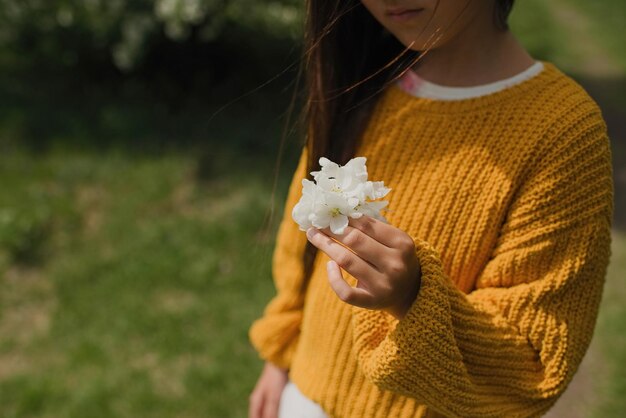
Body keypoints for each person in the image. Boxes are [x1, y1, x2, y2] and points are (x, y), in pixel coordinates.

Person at [248, 0, 614, 417]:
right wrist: (279, 357)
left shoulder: (561, 131)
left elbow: (532, 362)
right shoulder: (362, 80)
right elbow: (301, 247)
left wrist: (411, 296)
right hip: (302, 396)